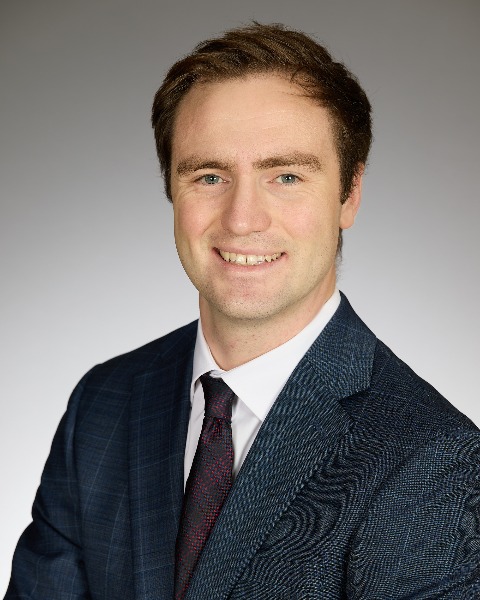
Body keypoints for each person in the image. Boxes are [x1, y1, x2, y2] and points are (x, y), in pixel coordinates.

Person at [5, 22, 480, 600]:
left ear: (349, 195)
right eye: (209, 176)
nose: (242, 219)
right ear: (171, 189)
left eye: (286, 176)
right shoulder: (104, 403)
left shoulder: (434, 458)